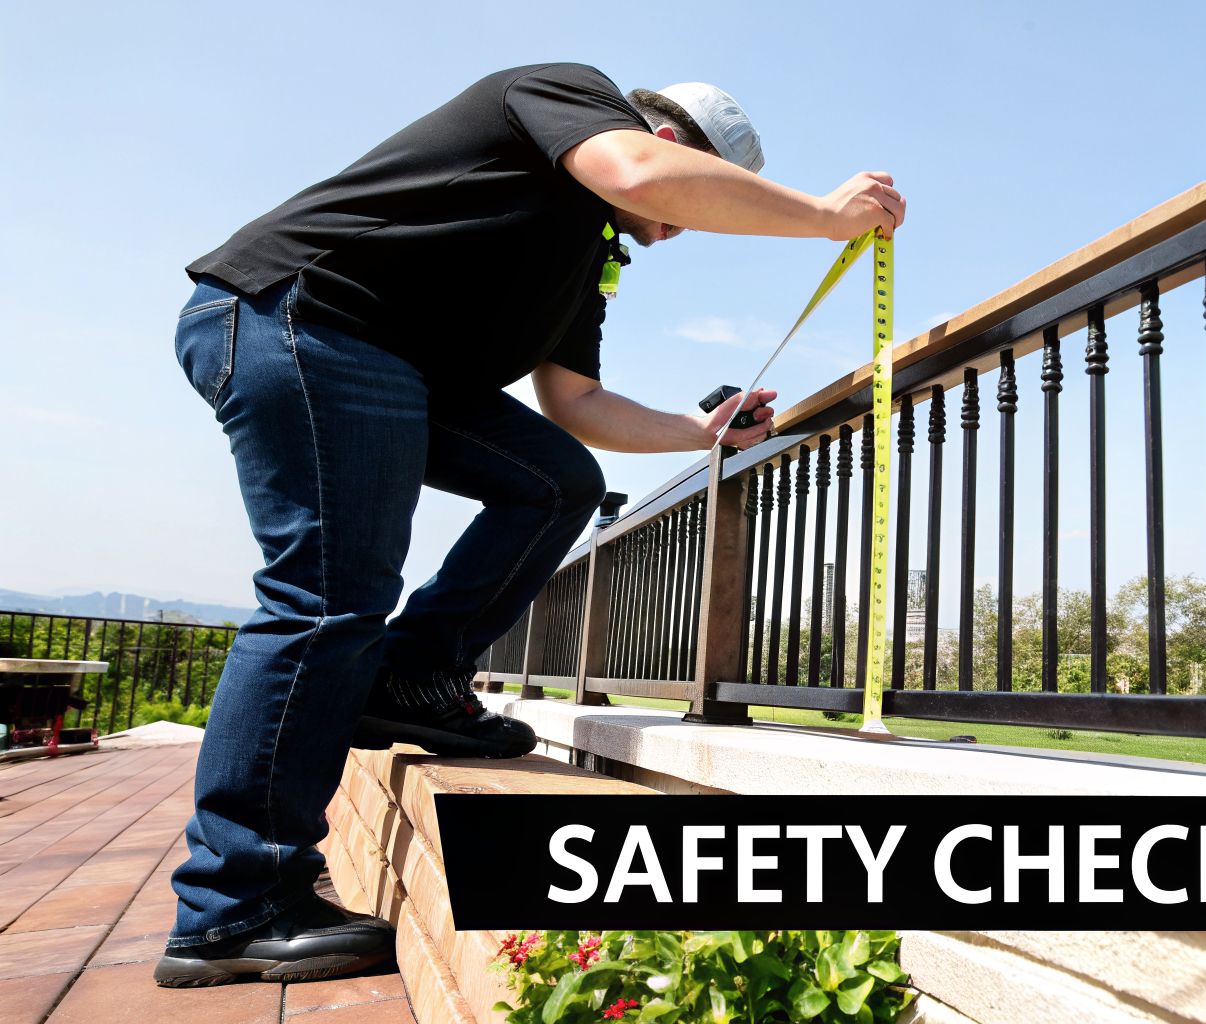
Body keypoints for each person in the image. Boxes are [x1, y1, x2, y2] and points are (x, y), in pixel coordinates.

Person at [157, 64, 905, 988]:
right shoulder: (564, 94)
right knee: (326, 600)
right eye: (692, 209)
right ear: (672, 145)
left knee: (555, 481)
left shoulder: (586, 257)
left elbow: (574, 403)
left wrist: (698, 432)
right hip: (306, 320)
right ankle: (232, 906)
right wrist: (827, 217)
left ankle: (413, 677)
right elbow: (638, 177)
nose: (677, 231)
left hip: (395, 370)